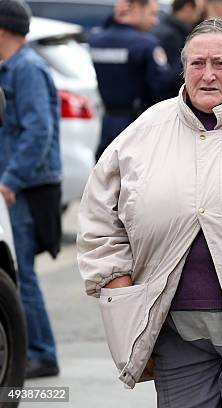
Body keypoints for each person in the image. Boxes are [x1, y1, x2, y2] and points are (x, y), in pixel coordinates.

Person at [77, 18, 222, 406]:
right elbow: (98, 220)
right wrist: (118, 287)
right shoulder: (144, 133)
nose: (207, 75)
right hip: (177, 338)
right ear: (183, 68)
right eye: (196, 64)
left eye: (220, 64)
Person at [0, 0, 61, 379]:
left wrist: (10, 179)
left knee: (21, 274)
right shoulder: (12, 67)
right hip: (17, 184)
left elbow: (40, 131)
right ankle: (37, 349)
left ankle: (41, 352)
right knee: (21, 272)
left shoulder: (27, 68)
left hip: (26, 187)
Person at [89, 0, 177, 160]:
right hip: (137, 126)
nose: (155, 21)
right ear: (136, 8)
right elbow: (162, 89)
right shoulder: (145, 44)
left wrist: (114, 17)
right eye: (152, 14)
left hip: (108, 126)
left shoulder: (96, 40)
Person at [153, 0, 207, 99]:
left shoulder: (169, 29)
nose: (200, 16)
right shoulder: (171, 36)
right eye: (198, 11)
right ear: (187, 8)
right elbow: (171, 76)